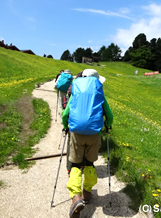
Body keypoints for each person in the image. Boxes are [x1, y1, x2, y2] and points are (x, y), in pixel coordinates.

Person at [62, 69, 113, 218]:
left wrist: (66, 125)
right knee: (90, 163)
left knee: (75, 165)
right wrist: (108, 124)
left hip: (77, 133)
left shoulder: (76, 90)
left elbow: (66, 113)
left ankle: (76, 197)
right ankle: (87, 193)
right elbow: (109, 114)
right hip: (94, 134)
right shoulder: (99, 93)